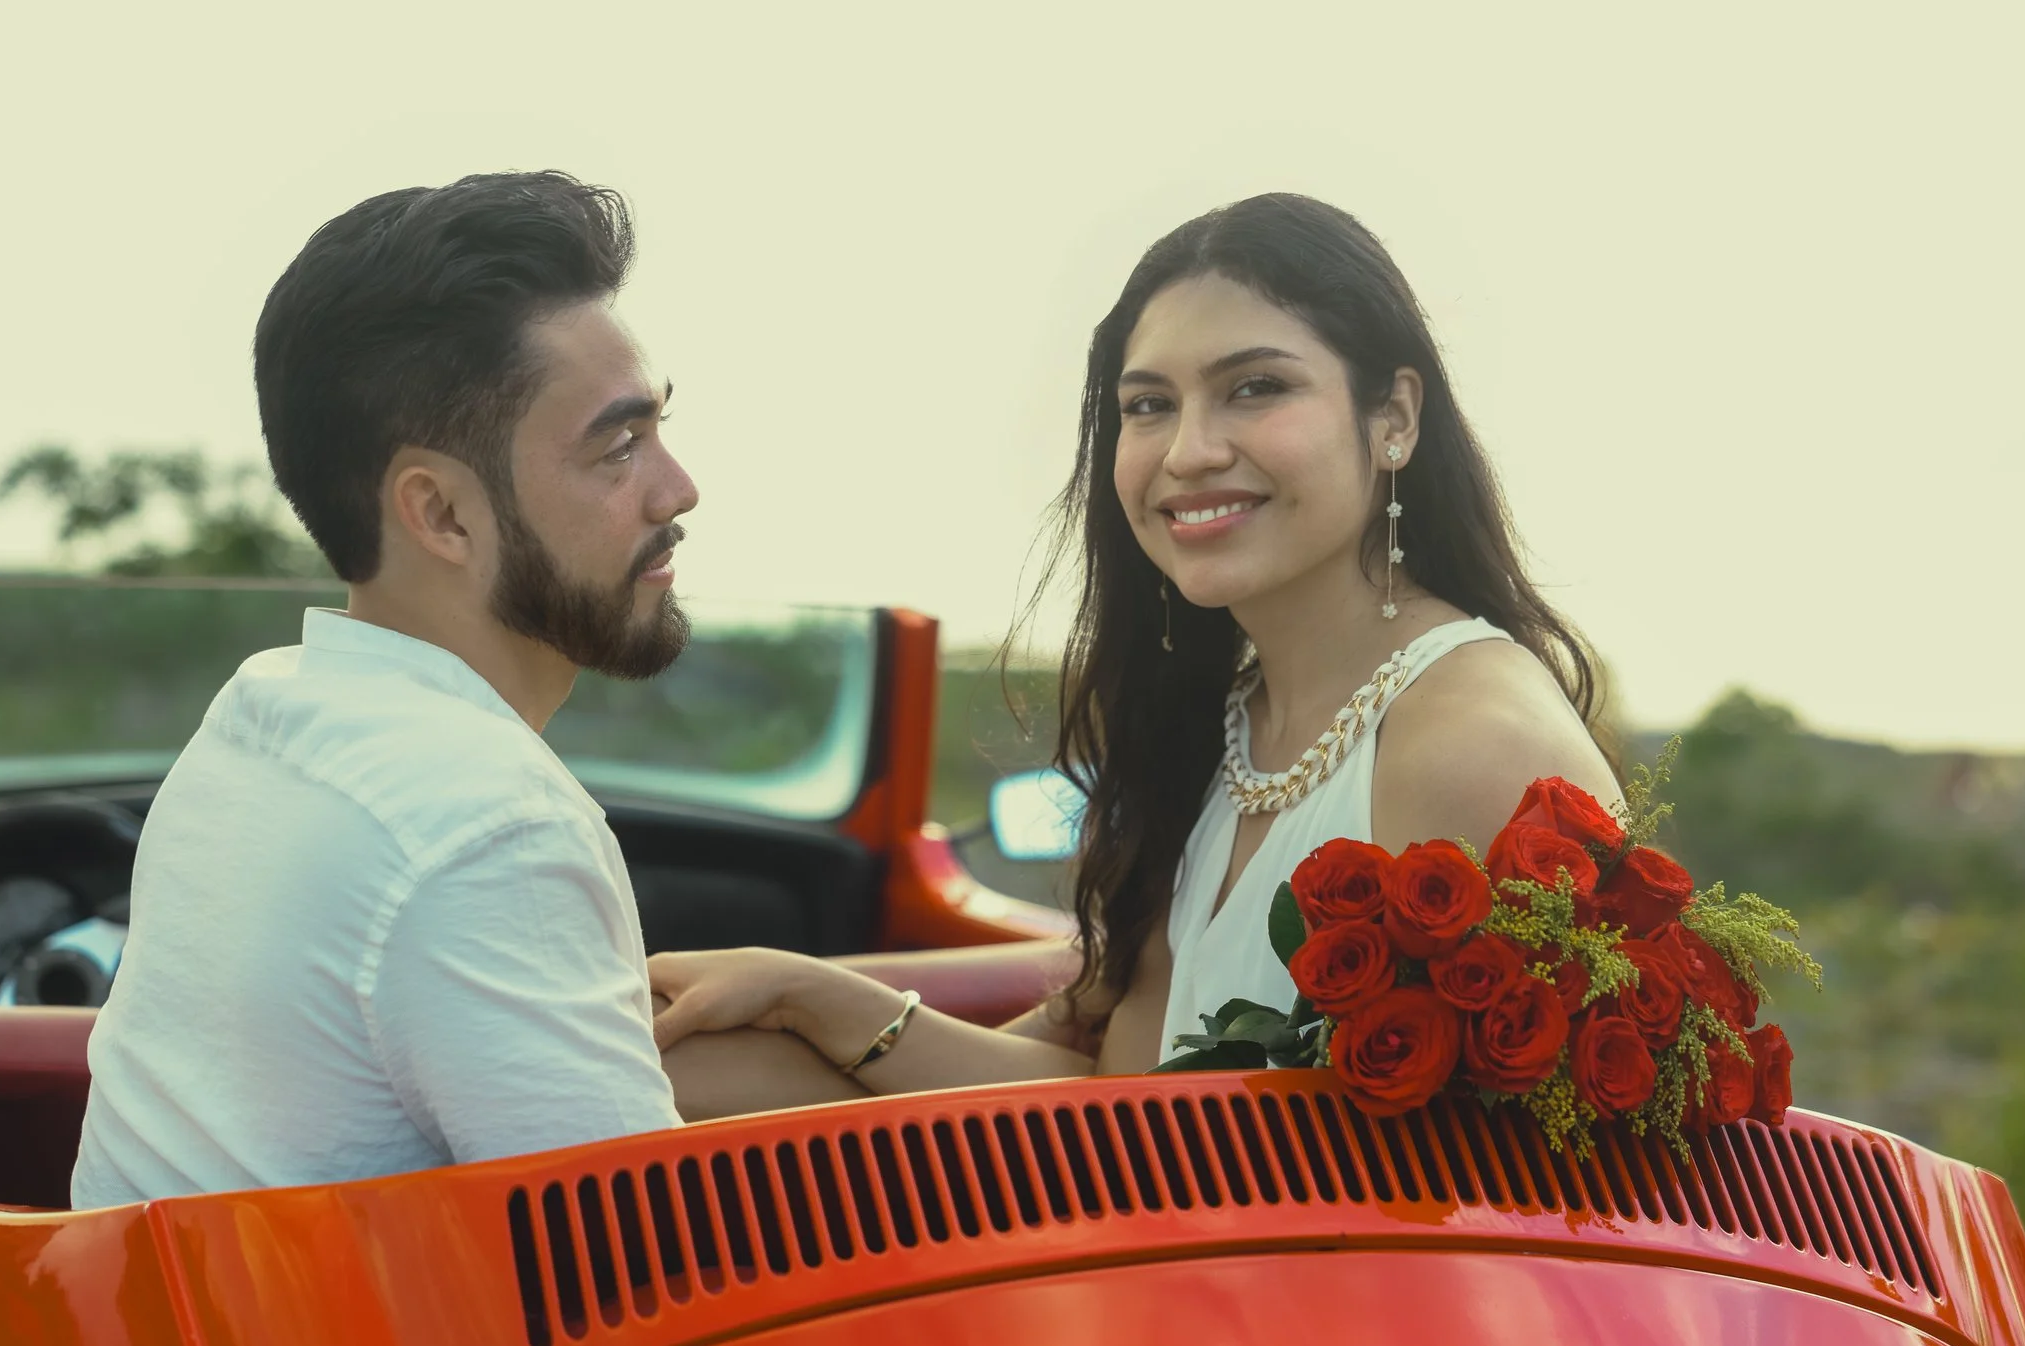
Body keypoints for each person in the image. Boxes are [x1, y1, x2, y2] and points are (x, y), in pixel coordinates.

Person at [650, 192, 1620, 1112]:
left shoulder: (1472, 743)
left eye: (1255, 388)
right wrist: (809, 993)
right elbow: (1121, 1102)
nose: (1188, 450)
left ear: (1394, 418)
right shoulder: (1225, 717)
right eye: (1149, 405)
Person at [71, 172, 697, 1207]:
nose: (677, 488)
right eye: (618, 446)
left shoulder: (259, 720)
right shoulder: (491, 825)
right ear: (441, 513)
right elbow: (661, 1283)